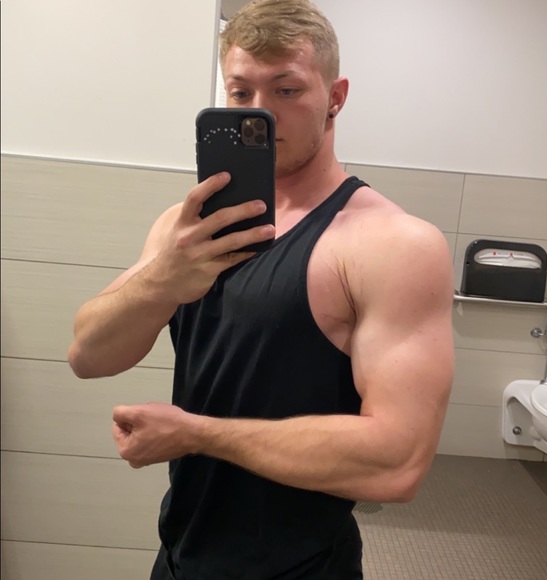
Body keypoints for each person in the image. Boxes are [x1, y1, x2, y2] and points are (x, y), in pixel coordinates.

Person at [68, 0, 455, 578]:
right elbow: (87, 356)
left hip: (301, 568)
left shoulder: (393, 244)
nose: (259, 114)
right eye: (241, 92)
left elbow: (397, 462)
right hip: (179, 556)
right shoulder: (186, 229)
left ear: (336, 97)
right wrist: (162, 279)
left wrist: (197, 434)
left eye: (286, 90)